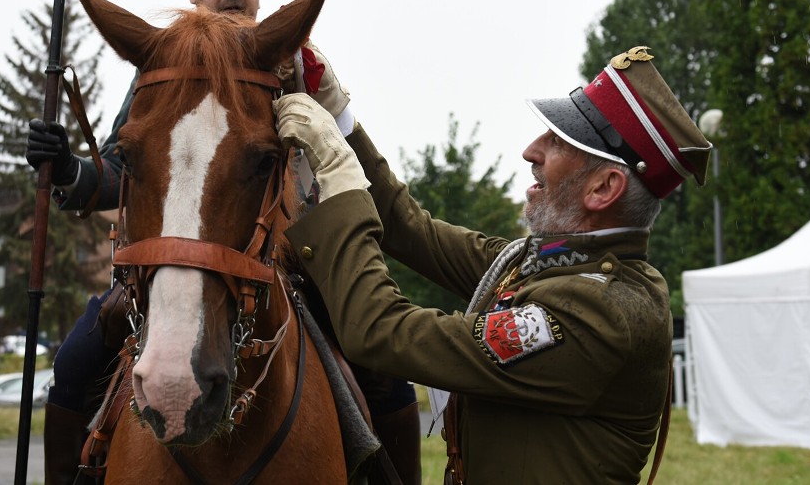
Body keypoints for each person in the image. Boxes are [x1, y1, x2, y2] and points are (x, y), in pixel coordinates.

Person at [25, 0, 420, 485]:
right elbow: (122, 175)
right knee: (74, 363)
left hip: (298, 260)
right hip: (166, 262)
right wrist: (69, 171)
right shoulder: (159, 68)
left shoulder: (296, 68)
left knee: (385, 370)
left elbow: (344, 168)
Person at [273, 45, 713, 484]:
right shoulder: (555, 264)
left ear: (603, 188)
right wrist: (338, 115)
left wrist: (338, 176)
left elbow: (382, 332)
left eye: (558, 142)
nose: (530, 151)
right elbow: (412, 229)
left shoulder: (600, 312)